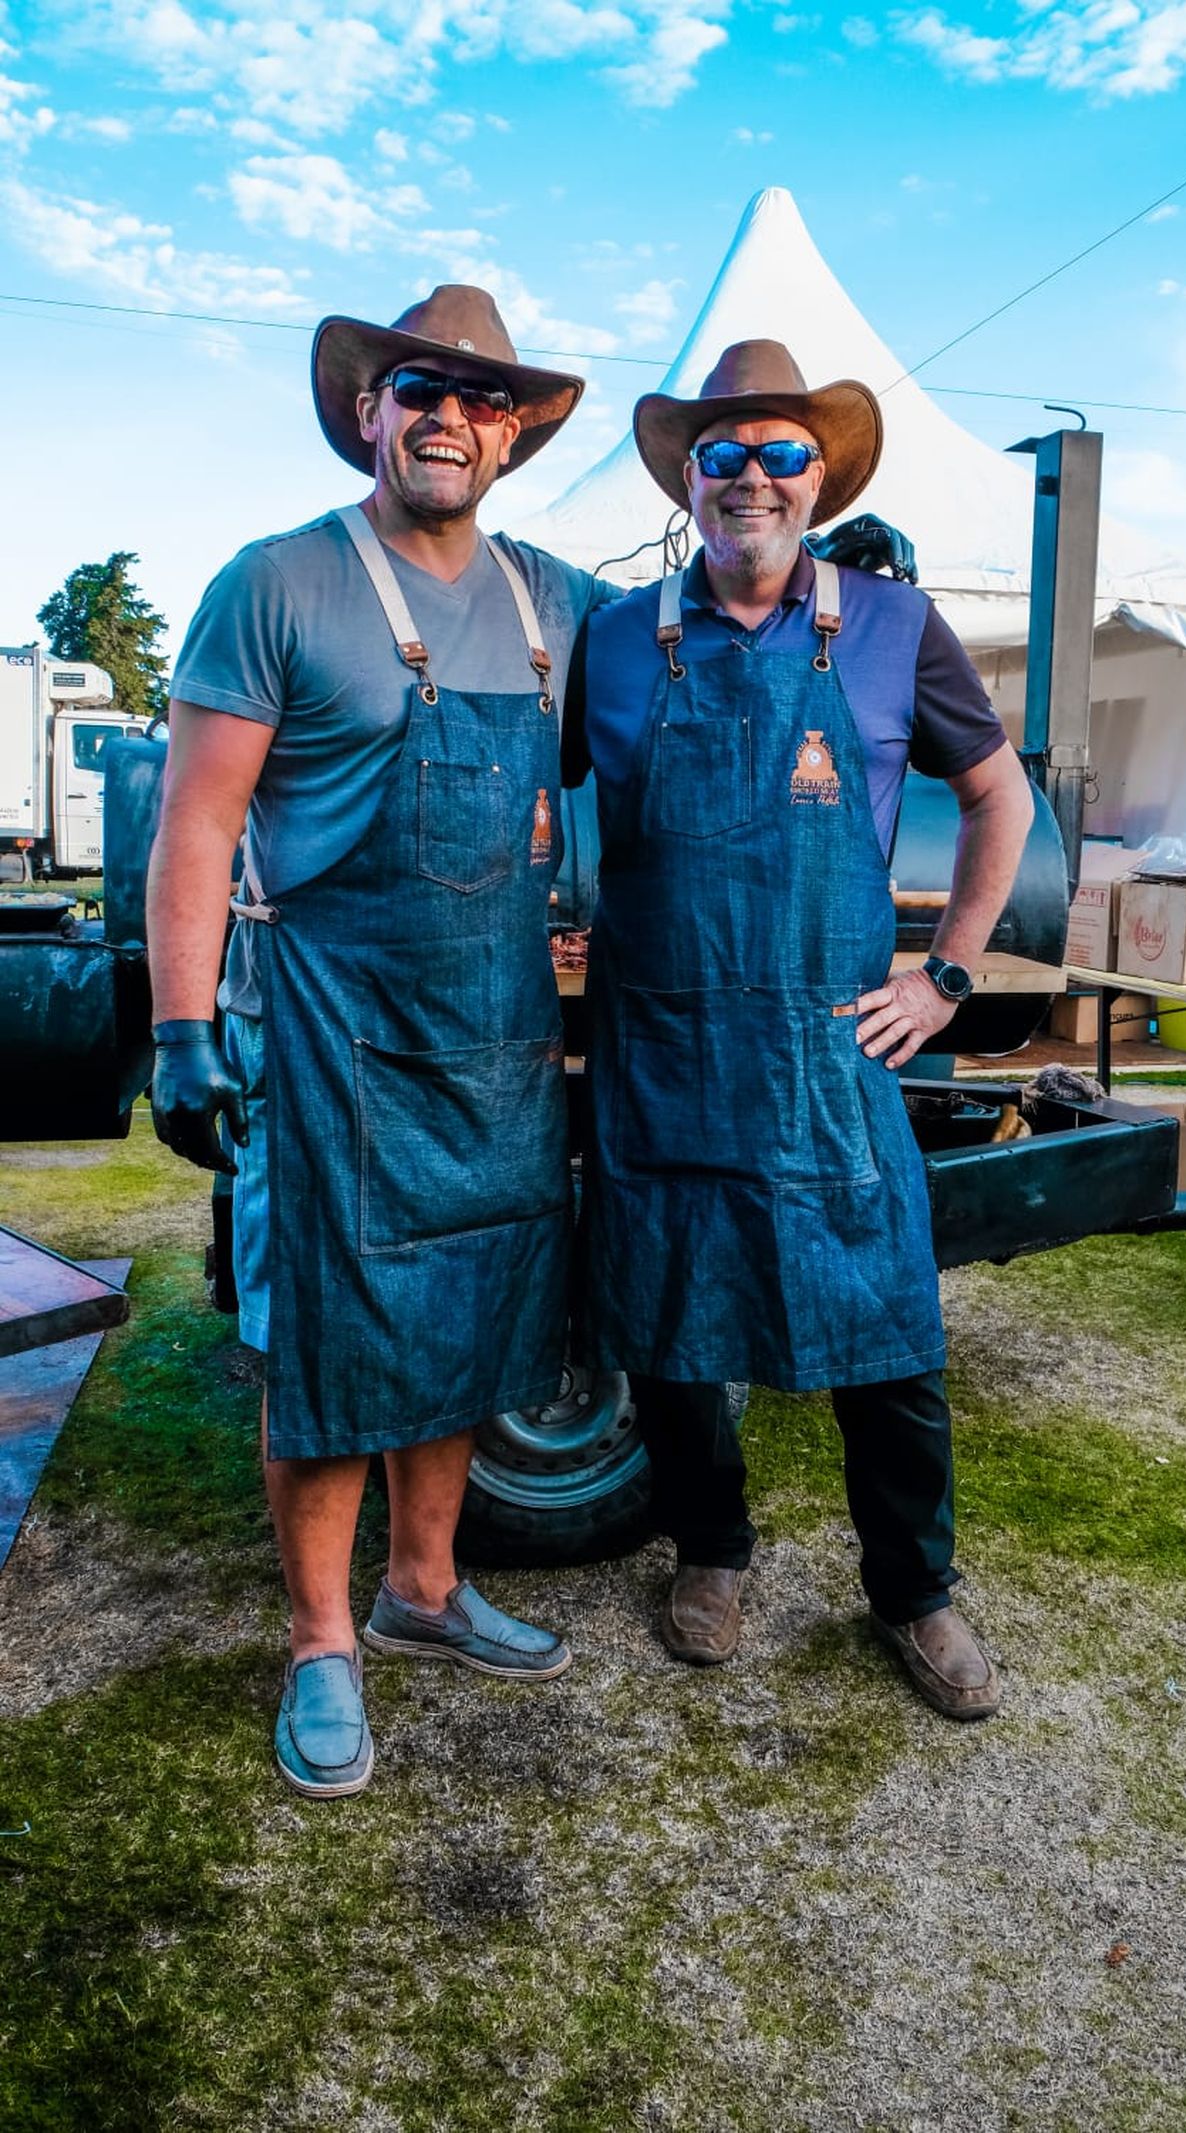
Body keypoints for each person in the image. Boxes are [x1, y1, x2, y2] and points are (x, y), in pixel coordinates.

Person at [147, 286, 613, 1798]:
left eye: (485, 399)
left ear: (517, 433)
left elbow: (698, 679)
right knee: (335, 1346)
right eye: (423, 387)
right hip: (333, 1032)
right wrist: (181, 1025)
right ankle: (323, 1639)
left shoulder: (559, 601)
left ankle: (426, 1588)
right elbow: (199, 823)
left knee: (473, 1318)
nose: (450, 418)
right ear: (370, 407)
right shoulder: (278, 582)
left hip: (492, 1039)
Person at [570, 339, 1034, 1719]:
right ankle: (712, 1550)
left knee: (884, 1333)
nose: (752, 478)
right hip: (662, 1050)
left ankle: (915, 1590)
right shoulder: (614, 635)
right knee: (667, 1321)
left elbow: (1003, 800)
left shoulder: (894, 626)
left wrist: (944, 975)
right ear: (691, 479)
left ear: (819, 477)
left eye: (780, 453)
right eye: (724, 455)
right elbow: (523, 801)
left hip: (833, 1053)